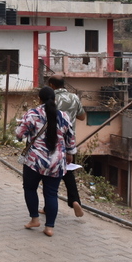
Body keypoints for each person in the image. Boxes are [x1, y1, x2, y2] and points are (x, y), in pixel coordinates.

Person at [15, 86, 76, 237]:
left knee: (30, 189)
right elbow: (71, 139)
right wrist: (70, 153)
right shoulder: (64, 116)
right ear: (54, 99)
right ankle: (49, 228)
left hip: (34, 161)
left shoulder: (32, 114)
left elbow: (19, 134)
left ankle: (35, 219)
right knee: (51, 193)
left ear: (39, 99)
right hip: (57, 162)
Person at [47, 75, 87, 217]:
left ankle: (48, 207)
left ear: (51, 85)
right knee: (68, 171)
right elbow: (82, 117)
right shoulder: (74, 98)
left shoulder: (51, 98)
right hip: (69, 141)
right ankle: (75, 200)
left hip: (53, 139)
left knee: (51, 173)